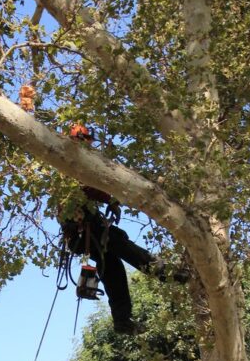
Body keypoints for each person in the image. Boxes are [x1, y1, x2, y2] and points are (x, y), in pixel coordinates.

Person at [61, 124, 188, 334]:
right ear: (79, 140)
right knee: (124, 246)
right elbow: (88, 187)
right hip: (85, 230)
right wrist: (110, 198)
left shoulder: (73, 164)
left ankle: (122, 320)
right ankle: (167, 273)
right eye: (87, 142)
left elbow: (91, 189)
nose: (89, 147)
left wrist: (110, 201)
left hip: (84, 233)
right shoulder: (69, 163)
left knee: (113, 271)